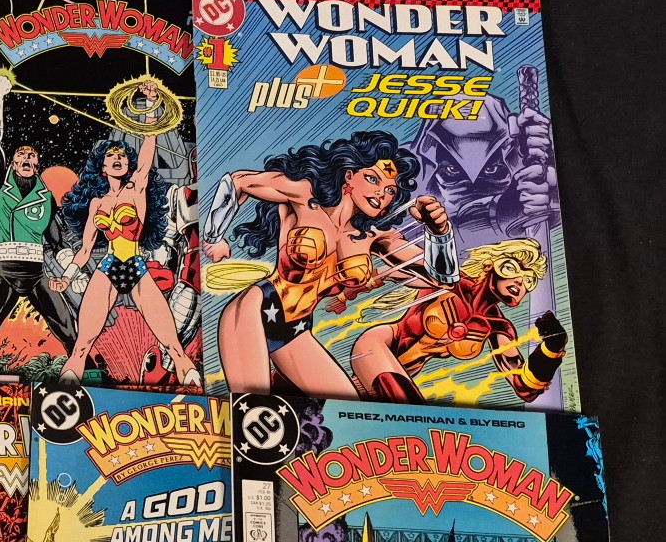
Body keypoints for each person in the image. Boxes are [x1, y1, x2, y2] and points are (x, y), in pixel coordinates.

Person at [201, 131, 451, 397]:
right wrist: (213, 236)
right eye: (372, 179)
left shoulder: (376, 236)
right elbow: (239, 181)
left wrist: (439, 233)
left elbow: (440, 279)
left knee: (344, 407)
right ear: (349, 175)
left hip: (296, 329)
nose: (381, 193)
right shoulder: (306, 198)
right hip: (257, 308)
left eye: (390, 190)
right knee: (254, 407)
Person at [350, 238, 567, 403]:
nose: (519, 281)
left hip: (397, 377)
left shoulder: (498, 327)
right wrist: (353, 286)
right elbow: (399, 262)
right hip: (378, 344)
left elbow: (524, 386)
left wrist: (551, 349)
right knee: (407, 407)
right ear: (490, 265)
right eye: (511, 268)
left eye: (528, 280)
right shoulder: (452, 280)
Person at [59, 137, 198, 386]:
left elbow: (145, 161)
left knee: (174, 346)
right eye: (111, 155)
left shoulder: (136, 189)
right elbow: (85, 250)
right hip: (108, 268)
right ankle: (66, 390)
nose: (117, 158)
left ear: (128, 165)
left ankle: (192, 383)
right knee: (81, 346)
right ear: (102, 167)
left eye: (122, 156)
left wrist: (151, 126)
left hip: (135, 267)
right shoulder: (97, 204)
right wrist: (66, 278)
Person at [0, 144, 77, 371]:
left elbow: (56, 241)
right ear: (13, 163)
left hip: (36, 275)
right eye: (21, 154)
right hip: (6, 274)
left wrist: (73, 272)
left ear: (37, 164)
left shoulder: (45, 198)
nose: (26, 158)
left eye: (31, 155)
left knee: (69, 332)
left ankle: (87, 373)